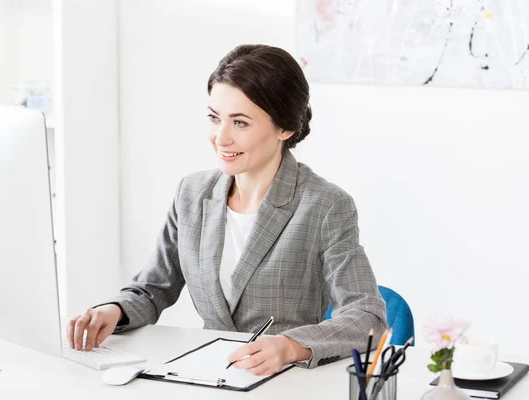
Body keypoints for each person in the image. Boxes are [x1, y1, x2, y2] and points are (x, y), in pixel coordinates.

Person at [67, 44, 387, 375]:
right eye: (214, 118)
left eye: (240, 123)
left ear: (285, 128)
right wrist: (114, 310)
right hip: (208, 375)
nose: (221, 138)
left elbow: (367, 316)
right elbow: (153, 288)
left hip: (286, 382)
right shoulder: (191, 194)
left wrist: (291, 346)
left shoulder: (324, 205)